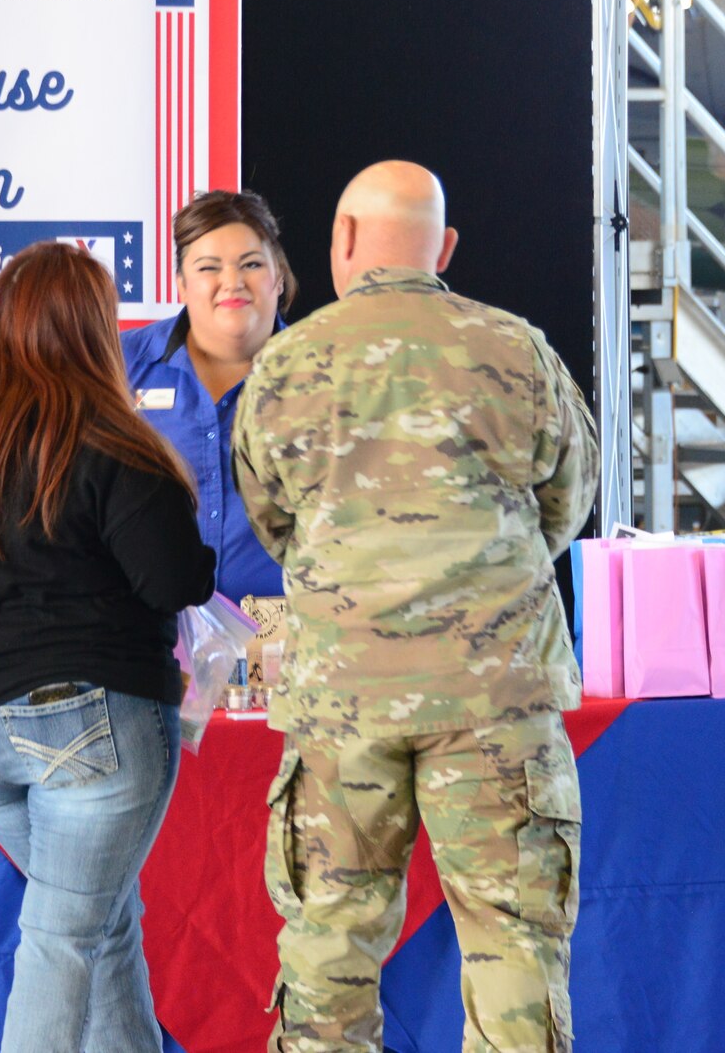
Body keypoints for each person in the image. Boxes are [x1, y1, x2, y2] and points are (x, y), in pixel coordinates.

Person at [232, 161, 599, 1053]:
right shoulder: (518, 350)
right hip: (495, 700)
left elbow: (270, 515)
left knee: (330, 941)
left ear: (343, 240)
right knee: (513, 940)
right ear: (446, 248)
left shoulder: (286, 361)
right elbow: (569, 501)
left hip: (343, 699)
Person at [0, 240, 216, 1053]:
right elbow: (175, 580)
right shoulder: (112, 439)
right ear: (98, 329)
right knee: (64, 938)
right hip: (87, 724)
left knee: (99, 921)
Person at [123, 190, 295, 603]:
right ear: (181, 283)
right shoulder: (119, 365)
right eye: (208, 267)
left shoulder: (322, 374)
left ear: (279, 277)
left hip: (284, 644)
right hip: (152, 641)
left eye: (251, 264)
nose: (232, 282)